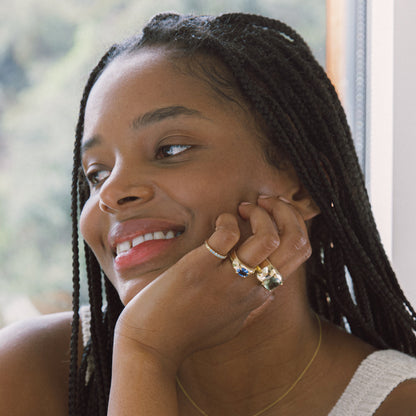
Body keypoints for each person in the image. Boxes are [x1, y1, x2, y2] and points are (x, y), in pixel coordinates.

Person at [1, 12, 416, 416]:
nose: (110, 194)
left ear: (305, 185)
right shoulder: (28, 371)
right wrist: (144, 352)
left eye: (172, 150)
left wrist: (147, 351)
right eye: (96, 173)